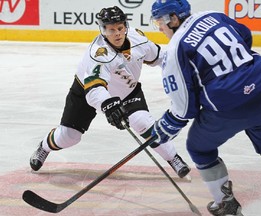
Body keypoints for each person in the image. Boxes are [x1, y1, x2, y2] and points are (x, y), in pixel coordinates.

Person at [150, 0, 261, 215]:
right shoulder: (212, 15)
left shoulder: (176, 47)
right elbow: (245, 36)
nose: (159, 27)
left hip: (227, 109)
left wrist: (168, 125)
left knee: (199, 149)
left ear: (174, 18)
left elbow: (184, 106)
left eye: (160, 21)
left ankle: (227, 205)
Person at [29, 6, 191, 179]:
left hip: (127, 91)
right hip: (86, 91)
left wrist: (184, 68)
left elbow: (160, 57)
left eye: (120, 28)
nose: (117, 33)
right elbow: (94, 90)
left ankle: (173, 158)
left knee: (144, 123)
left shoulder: (138, 39)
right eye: (112, 30)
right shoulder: (98, 53)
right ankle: (44, 146)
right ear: (103, 30)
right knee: (69, 137)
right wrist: (108, 104)